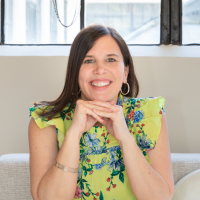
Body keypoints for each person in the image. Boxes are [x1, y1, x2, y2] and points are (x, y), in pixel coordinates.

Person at [28, 24, 174, 200]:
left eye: (110, 59)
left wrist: (125, 139)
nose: (99, 70)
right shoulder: (47, 121)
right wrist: (74, 134)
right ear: (75, 72)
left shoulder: (150, 114)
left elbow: (160, 198)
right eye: (88, 60)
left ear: (125, 72)